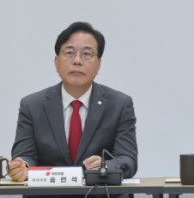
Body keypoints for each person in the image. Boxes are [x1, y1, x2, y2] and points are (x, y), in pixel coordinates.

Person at [8, 22, 137, 182]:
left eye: (87, 54)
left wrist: (106, 166)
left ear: (98, 65)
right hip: (49, 193)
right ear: (56, 62)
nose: (77, 61)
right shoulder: (32, 105)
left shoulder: (119, 104)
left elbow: (127, 159)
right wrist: (22, 167)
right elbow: (25, 155)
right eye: (69, 53)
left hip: (100, 191)